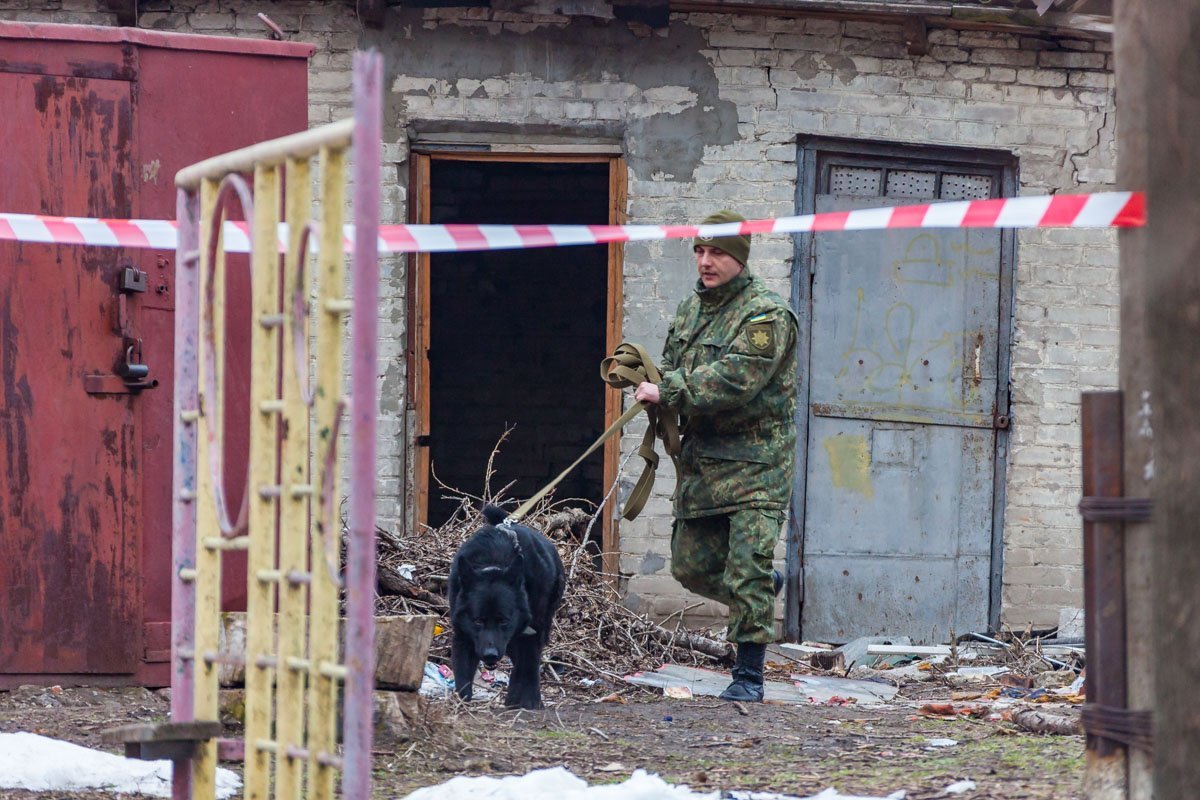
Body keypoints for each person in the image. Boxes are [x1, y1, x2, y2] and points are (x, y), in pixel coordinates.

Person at [634, 210, 798, 702]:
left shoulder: (766, 315)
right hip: (703, 462)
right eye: (700, 251)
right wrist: (646, 380)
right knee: (690, 567)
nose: (706, 261)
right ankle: (761, 590)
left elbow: (737, 377)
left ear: (740, 257)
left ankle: (748, 676)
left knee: (744, 568)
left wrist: (670, 391)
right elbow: (670, 366)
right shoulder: (690, 309)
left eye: (718, 252)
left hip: (756, 466)